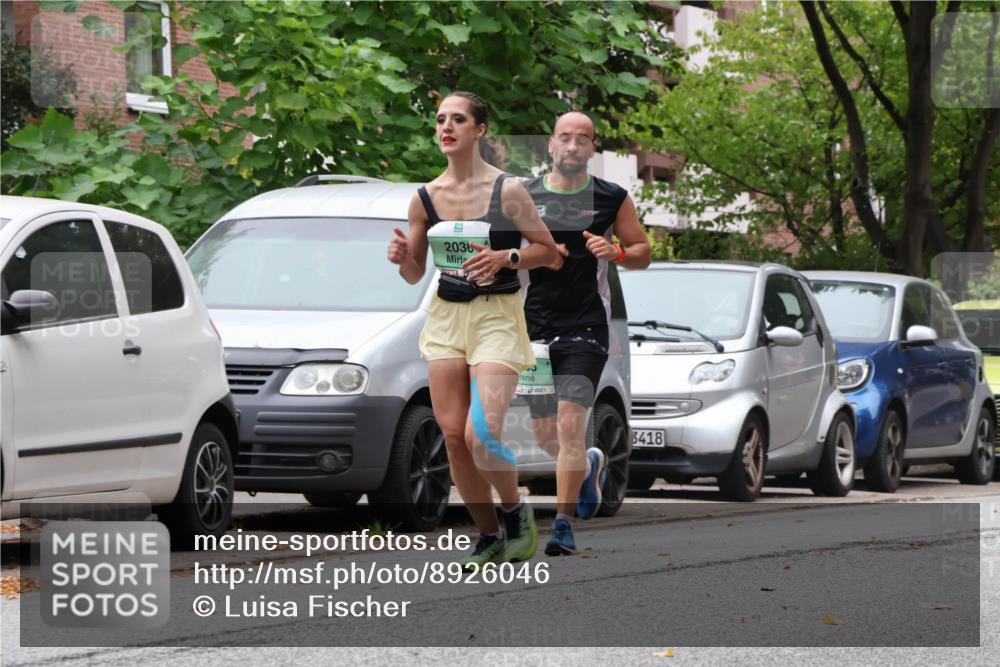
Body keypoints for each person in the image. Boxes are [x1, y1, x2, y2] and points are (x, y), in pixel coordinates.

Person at [387, 92, 560, 568]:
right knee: (454, 437)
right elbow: (414, 273)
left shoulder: (509, 192)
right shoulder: (424, 198)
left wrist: (508, 257)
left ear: (479, 130)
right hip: (446, 318)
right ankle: (487, 535)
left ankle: (515, 514)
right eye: (441, 120)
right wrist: (404, 259)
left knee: (480, 433)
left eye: (458, 119)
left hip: (498, 317)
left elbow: (550, 253)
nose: (446, 127)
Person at [522, 111, 651, 556]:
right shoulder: (524, 196)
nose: (573, 146)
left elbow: (642, 253)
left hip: (586, 328)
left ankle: (562, 524)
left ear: (593, 148)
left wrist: (615, 251)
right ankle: (591, 465)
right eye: (565, 138)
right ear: (551, 146)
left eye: (583, 139)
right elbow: (501, 248)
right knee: (545, 434)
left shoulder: (612, 198)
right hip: (532, 330)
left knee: (571, 424)